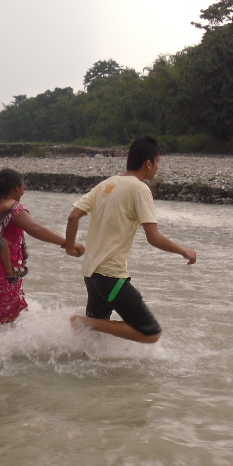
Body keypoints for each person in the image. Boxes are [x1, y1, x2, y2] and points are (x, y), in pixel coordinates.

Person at [65, 135, 196, 343]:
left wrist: (70, 248)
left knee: (92, 342)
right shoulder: (140, 189)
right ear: (148, 163)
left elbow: (73, 216)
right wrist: (184, 250)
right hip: (111, 276)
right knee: (151, 332)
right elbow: (154, 238)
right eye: (158, 162)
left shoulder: (104, 185)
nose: (158, 168)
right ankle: (81, 321)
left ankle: (86, 365)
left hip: (91, 274)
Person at [0, 168, 82, 328]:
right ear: (17, 187)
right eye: (23, 186)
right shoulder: (14, 209)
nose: (24, 190)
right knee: (5, 327)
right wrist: (67, 243)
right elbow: (34, 229)